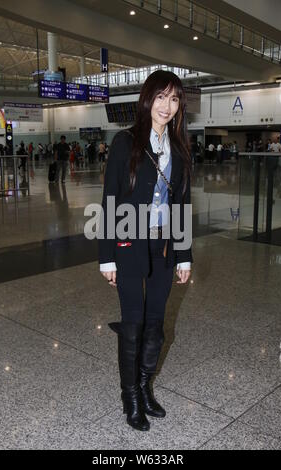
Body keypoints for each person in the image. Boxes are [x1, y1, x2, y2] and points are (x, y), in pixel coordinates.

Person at [98, 70, 193, 432]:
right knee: (133, 324)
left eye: (173, 99)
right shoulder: (126, 142)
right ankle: (130, 397)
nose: (166, 106)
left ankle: (144, 386)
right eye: (160, 97)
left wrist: (184, 254)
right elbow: (109, 202)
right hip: (127, 244)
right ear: (147, 100)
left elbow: (182, 204)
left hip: (164, 246)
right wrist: (107, 256)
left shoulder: (180, 147)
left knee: (156, 326)